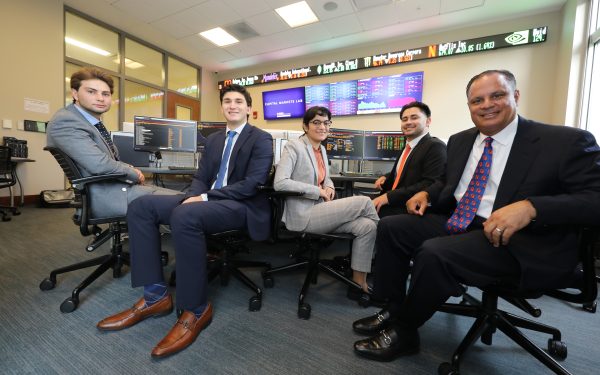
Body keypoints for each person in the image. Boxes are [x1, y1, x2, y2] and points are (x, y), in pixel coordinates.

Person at [352, 69, 600, 361]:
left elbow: (594, 198)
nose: (486, 105)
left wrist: (533, 207)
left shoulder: (562, 142)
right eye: (477, 100)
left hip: (517, 239)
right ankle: (393, 309)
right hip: (461, 221)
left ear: (516, 96)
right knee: (392, 227)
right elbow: (446, 180)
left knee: (435, 253)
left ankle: (405, 330)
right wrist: (428, 193)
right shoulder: (460, 140)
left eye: (497, 95)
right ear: (469, 106)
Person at [96, 84, 273, 358]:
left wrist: (203, 199)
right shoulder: (214, 140)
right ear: (222, 106)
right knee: (142, 206)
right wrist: (193, 195)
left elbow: (253, 184)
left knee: (185, 213)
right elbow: (201, 177)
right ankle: (156, 297)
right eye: (227, 101)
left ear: (249, 108)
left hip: (240, 205)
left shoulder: (261, 139)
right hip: (205, 200)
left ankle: (197, 309)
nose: (233, 105)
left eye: (239, 101)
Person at [274, 106, 379, 295]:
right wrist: (318, 191)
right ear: (305, 126)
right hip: (303, 215)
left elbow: (325, 177)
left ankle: (358, 283)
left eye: (326, 123)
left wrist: (329, 186)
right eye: (316, 122)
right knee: (364, 202)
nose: (322, 127)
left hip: (320, 211)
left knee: (367, 226)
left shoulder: (321, 149)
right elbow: (280, 183)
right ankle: (383, 259)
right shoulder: (294, 146)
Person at [46, 67, 175, 219]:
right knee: (188, 202)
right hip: (109, 198)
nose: (100, 98)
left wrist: (130, 169)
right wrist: (134, 173)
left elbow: (109, 160)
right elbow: (99, 165)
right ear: (75, 94)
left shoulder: (89, 122)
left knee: (187, 198)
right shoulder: (66, 121)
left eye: (105, 94)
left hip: (117, 189)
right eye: (91, 92)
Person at [372, 101, 446, 217]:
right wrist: (386, 176)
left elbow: (430, 183)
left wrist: (388, 197)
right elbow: (407, 172)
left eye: (414, 118)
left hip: (408, 206)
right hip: (394, 201)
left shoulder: (435, 146)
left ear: (428, 121)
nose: (408, 122)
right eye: (404, 119)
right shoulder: (408, 146)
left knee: (359, 210)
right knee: (357, 205)